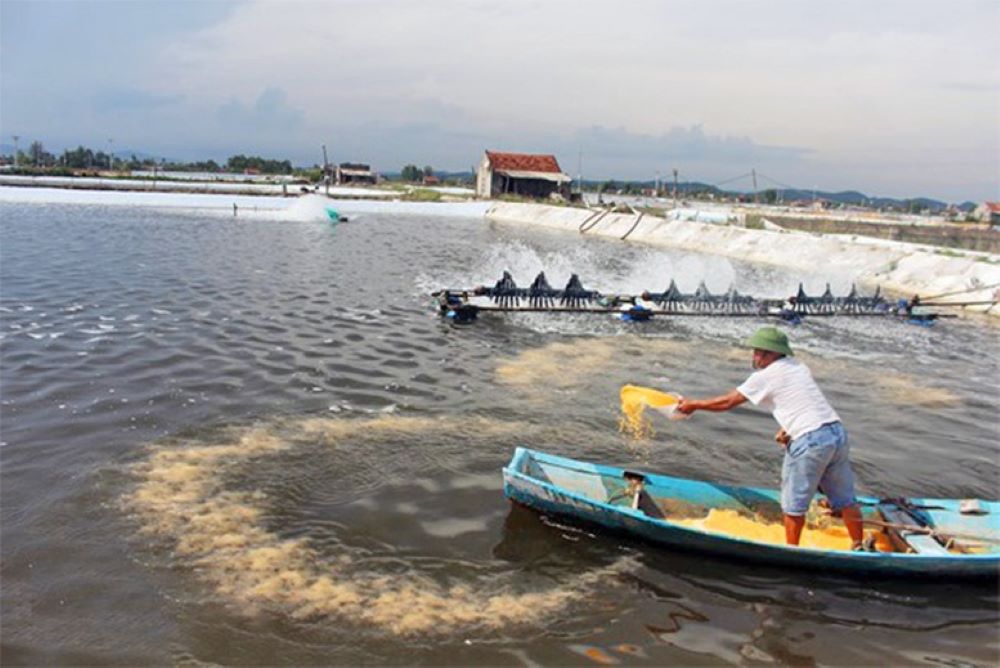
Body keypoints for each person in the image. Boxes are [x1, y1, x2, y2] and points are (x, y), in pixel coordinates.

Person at [676, 326, 865, 549]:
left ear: (769, 353)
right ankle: (858, 543)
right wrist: (789, 429)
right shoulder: (798, 366)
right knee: (845, 499)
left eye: (757, 351)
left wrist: (693, 405)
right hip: (835, 432)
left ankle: (791, 551)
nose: (754, 356)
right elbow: (801, 400)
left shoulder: (765, 376)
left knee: (793, 504)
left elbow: (727, 402)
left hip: (810, 439)